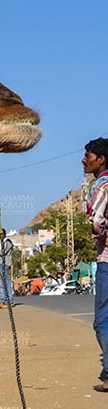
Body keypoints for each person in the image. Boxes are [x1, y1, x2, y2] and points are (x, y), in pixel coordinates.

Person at [82, 137, 108, 392]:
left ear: (101, 160)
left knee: (102, 320)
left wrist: (100, 237)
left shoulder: (102, 186)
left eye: (88, 156)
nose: (84, 160)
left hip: (107, 259)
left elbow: (97, 221)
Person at [0, 229, 14, 309]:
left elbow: (2, 253)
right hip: (0, 265)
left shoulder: (8, 242)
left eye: (1, 234)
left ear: (5, 234)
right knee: (2, 284)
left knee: (6, 283)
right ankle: (3, 300)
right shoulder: (3, 243)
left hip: (5, 265)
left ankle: (10, 301)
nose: (0, 236)